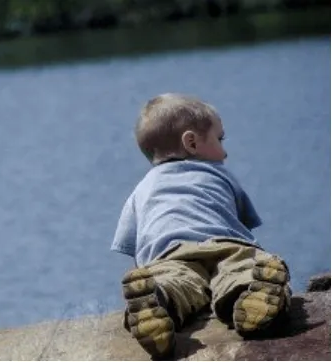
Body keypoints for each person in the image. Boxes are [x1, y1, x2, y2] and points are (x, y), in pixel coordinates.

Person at [111, 93, 291, 359]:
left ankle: (159, 298)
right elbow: (245, 224)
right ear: (192, 143)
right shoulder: (220, 174)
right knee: (244, 268)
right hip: (228, 246)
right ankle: (250, 292)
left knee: (176, 283)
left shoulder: (141, 190)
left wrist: (149, 272)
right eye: (220, 139)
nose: (225, 151)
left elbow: (130, 245)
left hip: (170, 254)